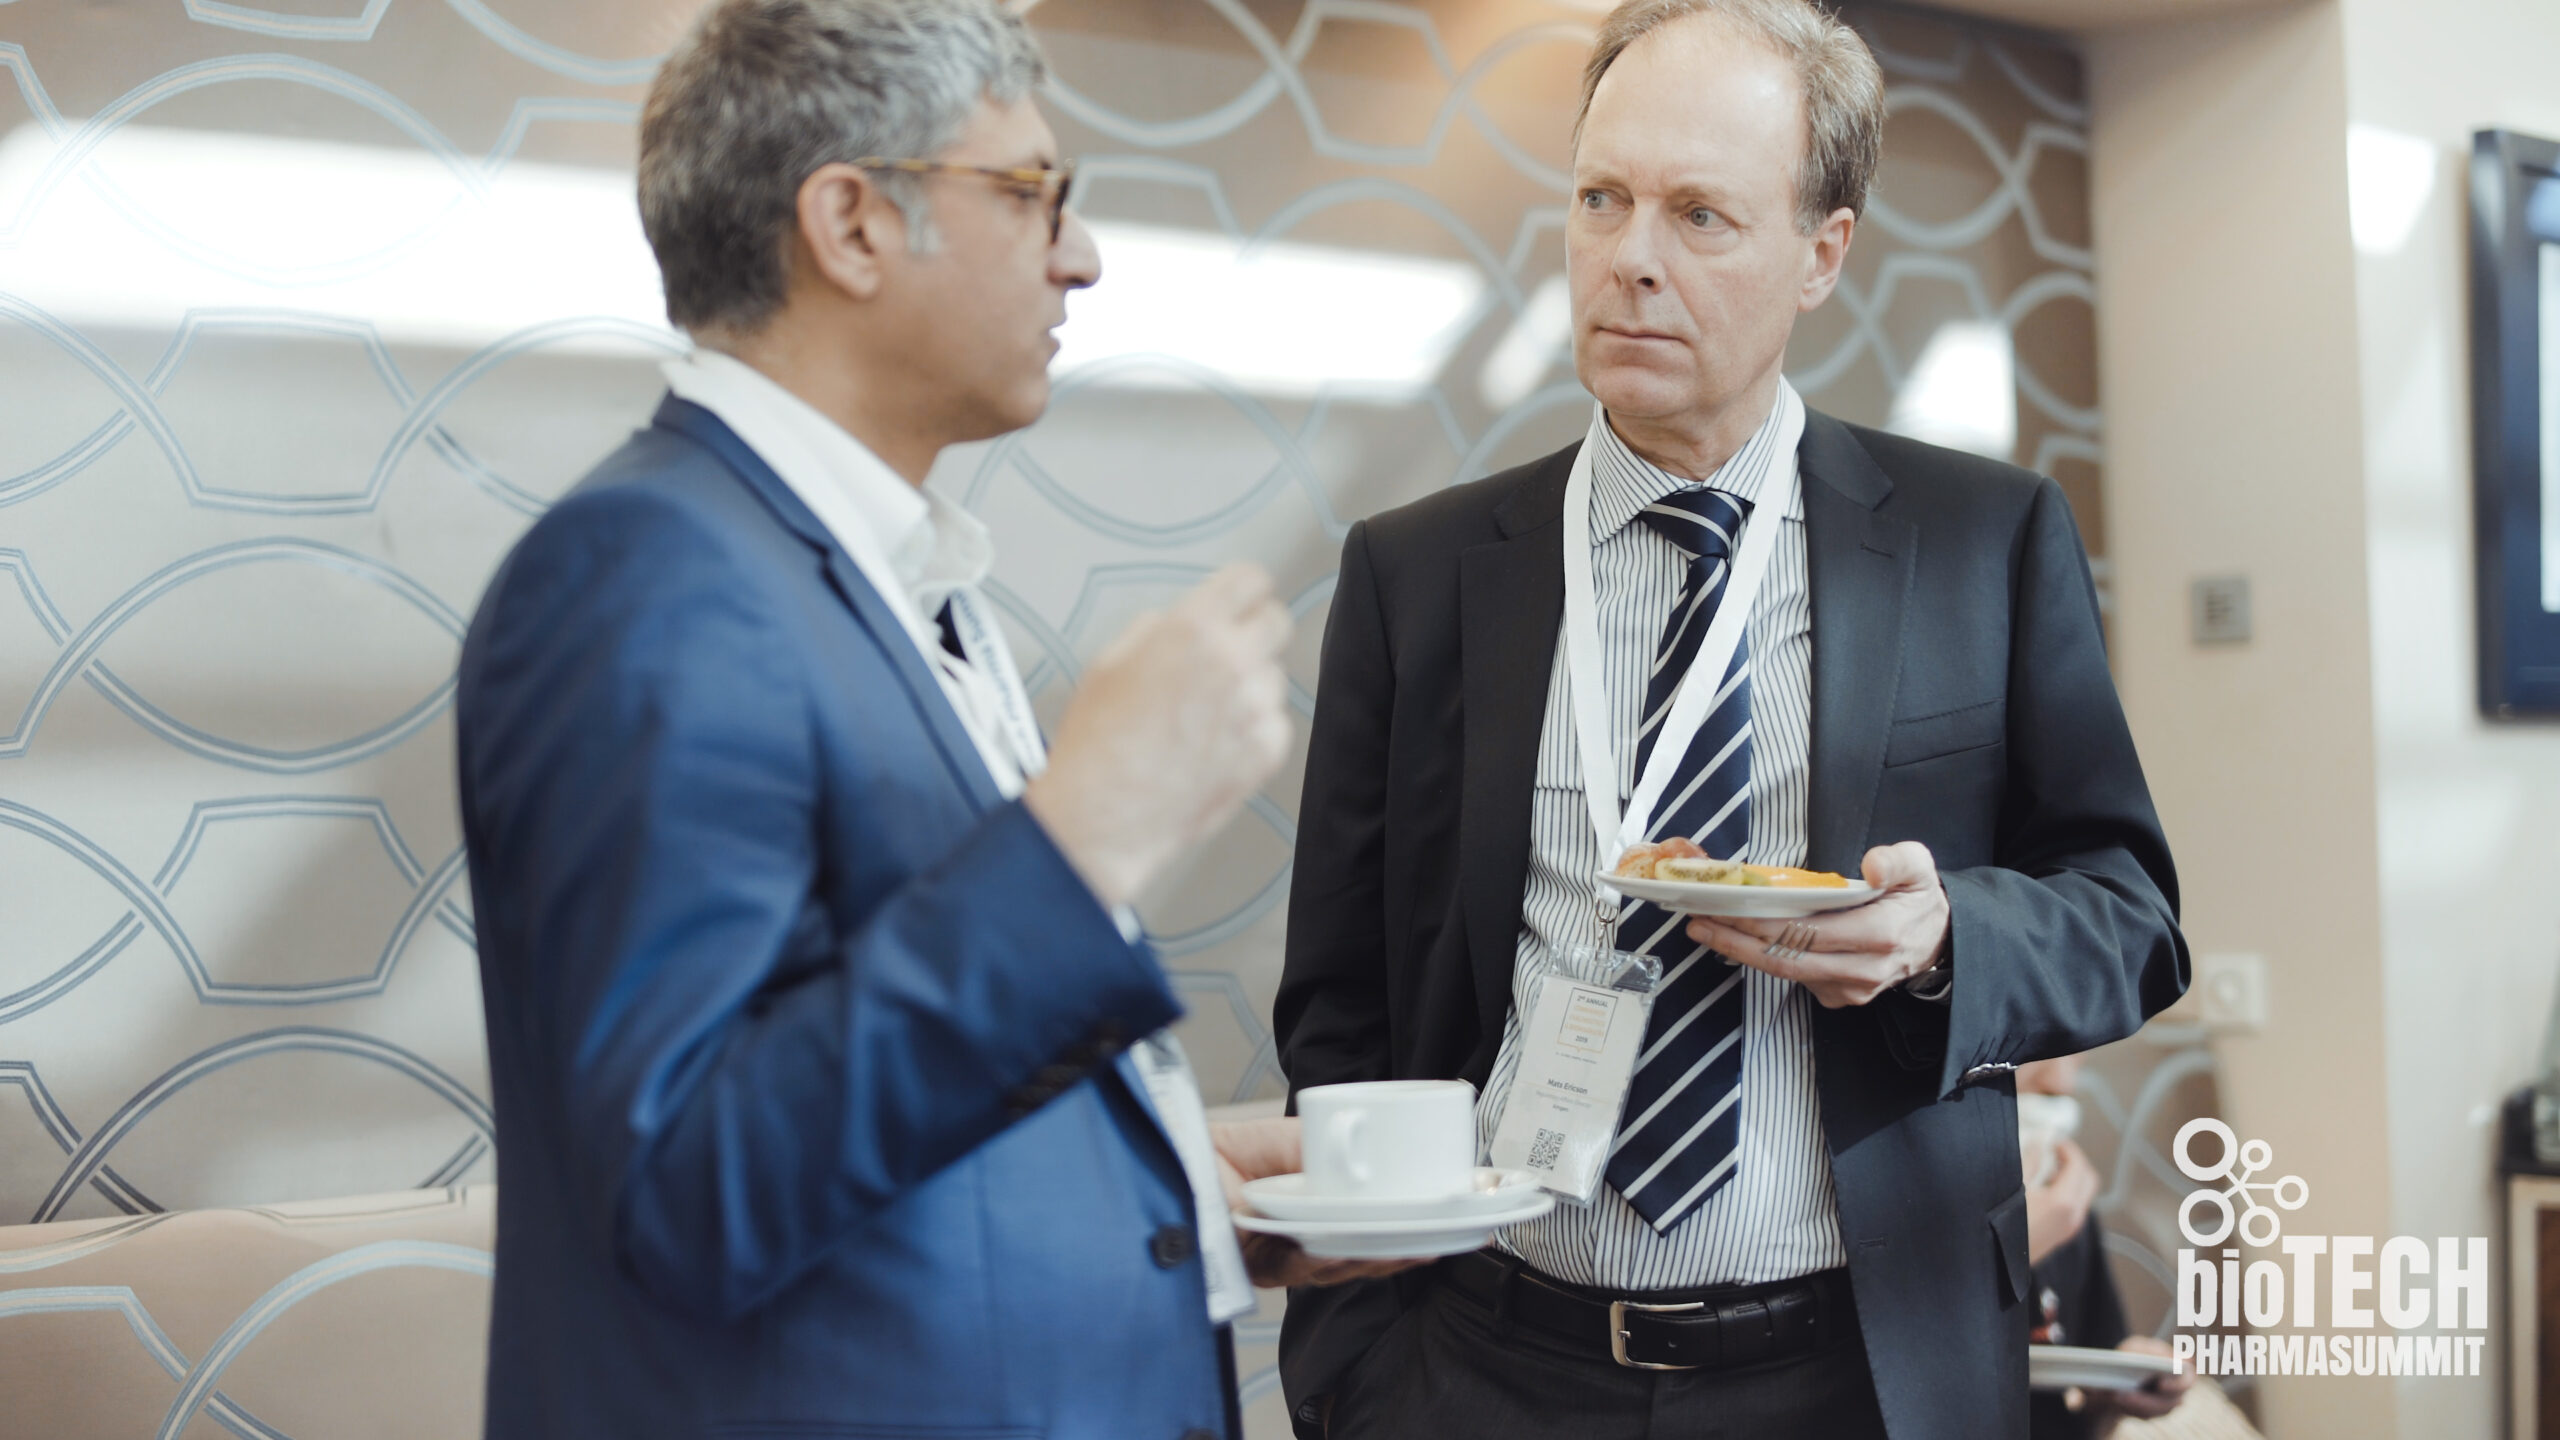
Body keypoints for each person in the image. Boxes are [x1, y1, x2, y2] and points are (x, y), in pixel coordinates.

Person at [455, 4, 1388, 1437]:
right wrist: (1083, 839)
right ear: (852, 225)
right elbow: (685, 1187)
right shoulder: (646, 576)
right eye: (1032, 193)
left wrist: (1169, 1187)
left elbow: (855, 1093)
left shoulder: (873, 571)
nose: (1082, 255)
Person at [1271, 1, 2189, 1436]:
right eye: (1602, 199)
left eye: (1700, 215)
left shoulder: (1981, 540)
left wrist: (1943, 938)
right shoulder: (1418, 573)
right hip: (1486, 1369)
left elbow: (2130, 915)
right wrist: (1356, 1371)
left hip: (1863, 1373)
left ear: (1822, 252)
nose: (1630, 256)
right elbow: (1340, 1002)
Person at [2017, 1056, 2194, 1439]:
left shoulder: (2066, 1209)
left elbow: (2085, 1416)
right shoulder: (1899, 1227)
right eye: (2035, 1052)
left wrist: (2120, 1395)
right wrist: (2008, 1255)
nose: (2062, 1082)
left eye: (2075, 1054)